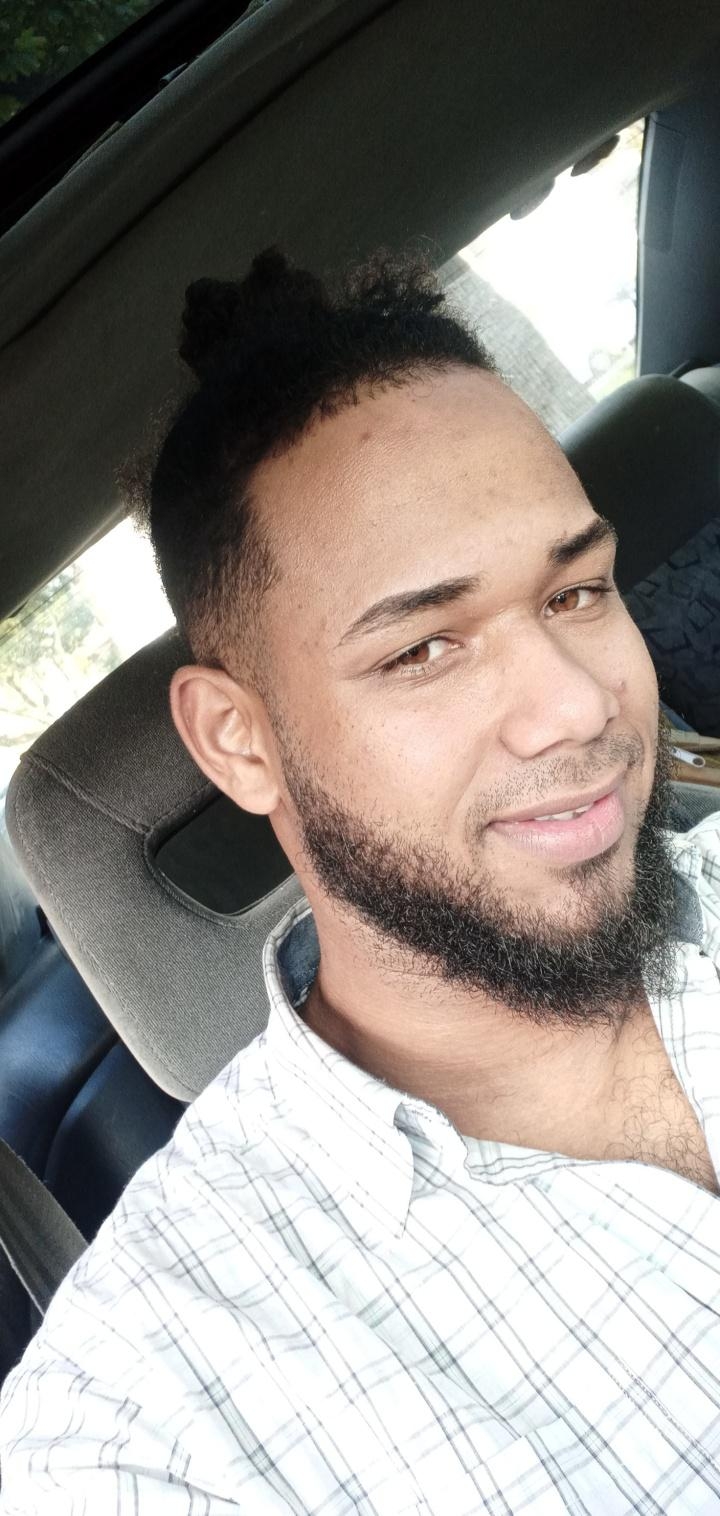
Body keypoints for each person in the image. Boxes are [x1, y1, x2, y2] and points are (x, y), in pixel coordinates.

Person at [1, 249, 719, 1514]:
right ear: (239, 741)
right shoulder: (154, 1416)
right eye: (424, 648)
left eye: (577, 591)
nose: (575, 705)